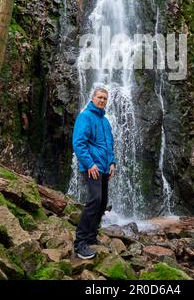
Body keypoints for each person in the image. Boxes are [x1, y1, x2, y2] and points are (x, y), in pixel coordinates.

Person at [72, 87, 116, 260]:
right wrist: (89, 164)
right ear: (93, 98)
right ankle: (80, 244)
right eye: (100, 97)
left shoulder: (105, 121)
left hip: (104, 168)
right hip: (92, 167)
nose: (102, 100)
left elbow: (109, 144)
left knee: (103, 201)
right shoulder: (85, 117)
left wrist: (112, 162)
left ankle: (91, 237)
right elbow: (78, 143)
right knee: (94, 200)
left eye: (105, 98)